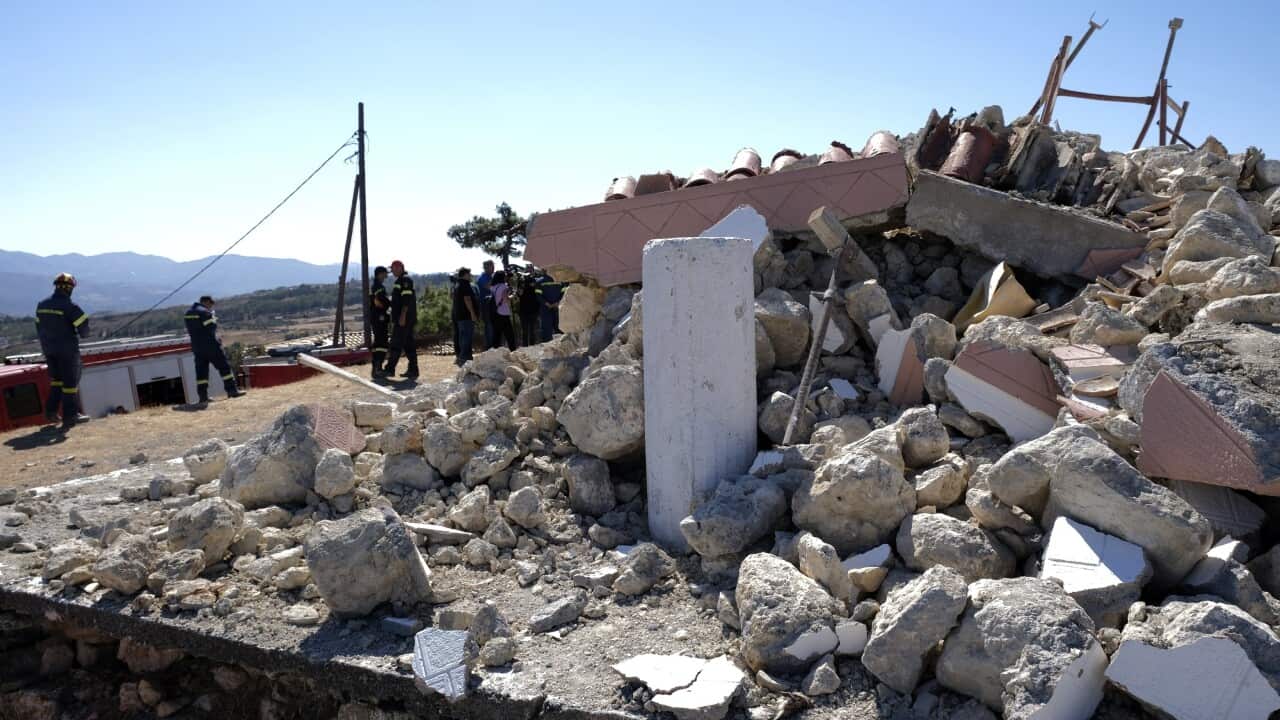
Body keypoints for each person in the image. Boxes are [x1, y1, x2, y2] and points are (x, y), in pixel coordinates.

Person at [35, 273, 92, 430]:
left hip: (49, 350)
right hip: (67, 351)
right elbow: (85, 331)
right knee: (70, 384)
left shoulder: (42, 305)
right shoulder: (71, 307)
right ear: (70, 289)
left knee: (57, 381)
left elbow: (39, 327)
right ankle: (70, 417)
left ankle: (51, 412)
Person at [183, 295, 245, 406]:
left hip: (197, 347)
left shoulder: (188, 313)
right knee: (224, 369)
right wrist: (213, 317)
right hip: (211, 346)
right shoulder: (205, 312)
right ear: (206, 302)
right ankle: (232, 391)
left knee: (201, 373)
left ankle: (203, 398)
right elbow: (211, 328)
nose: (211, 307)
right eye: (210, 304)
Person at [384, 260, 419, 379]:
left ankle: (389, 369)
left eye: (393, 269)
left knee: (396, 343)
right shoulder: (400, 280)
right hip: (404, 318)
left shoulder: (405, 280)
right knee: (409, 344)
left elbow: (407, 299)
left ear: (399, 267)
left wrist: (403, 316)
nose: (391, 271)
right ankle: (413, 370)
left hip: (404, 318)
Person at [451, 267, 480, 366]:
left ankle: (467, 358)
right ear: (465, 275)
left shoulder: (457, 285)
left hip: (459, 316)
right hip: (467, 316)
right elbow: (467, 299)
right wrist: (472, 313)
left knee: (462, 337)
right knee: (467, 338)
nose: (470, 276)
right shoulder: (465, 285)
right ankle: (463, 357)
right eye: (469, 274)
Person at [368, 266, 391, 377]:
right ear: (380, 274)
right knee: (381, 342)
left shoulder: (376, 286)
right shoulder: (378, 287)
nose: (386, 275)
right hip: (379, 317)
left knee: (379, 342)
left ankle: (376, 368)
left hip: (377, 317)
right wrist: (391, 304)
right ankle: (378, 368)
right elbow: (380, 300)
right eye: (385, 273)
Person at [490, 271, 517, 350]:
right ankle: (513, 351)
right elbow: (506, 299)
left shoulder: (492, 287)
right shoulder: (503, 286)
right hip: (503, 313)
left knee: (496, 334)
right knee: (509, 335)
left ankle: (494, 352)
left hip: (494, 312)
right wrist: (513, 295)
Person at [535, 272, 565, 342]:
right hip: (557, 307)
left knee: (547, 329)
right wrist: (557, 302)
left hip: (546, 308)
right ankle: (561, 345)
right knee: (559, 327)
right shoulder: (560, 280)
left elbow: (538, 295)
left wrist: (547, 303)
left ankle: (548, 347)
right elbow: (564, 293)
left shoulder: (539, 281)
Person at [517, 267, 541, 347]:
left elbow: (538, 292)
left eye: (530, 270)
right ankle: (525, 347)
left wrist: (533, 283)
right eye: (527, 270)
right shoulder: (521, 281)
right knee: (524, 331)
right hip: (523, 310)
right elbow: (519, 294)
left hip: (534, 309)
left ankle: (532, 347)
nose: (529, 272)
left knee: (533, 331)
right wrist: (522, 284)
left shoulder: (536, 280)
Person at [476, 259, 495, 350]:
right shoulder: (482, 278)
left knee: (493, 325)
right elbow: (488, 287)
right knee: (489, 325)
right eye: (491, 266)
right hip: (486, 305)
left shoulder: (491, 277)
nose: (493, 268)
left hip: (493, 305)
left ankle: (493, 344)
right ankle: (489, 346)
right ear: (486, 267)